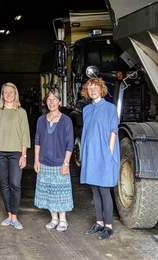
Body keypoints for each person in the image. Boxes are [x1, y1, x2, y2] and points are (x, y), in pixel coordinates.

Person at [80, 78, 120, 240]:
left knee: (104, 190)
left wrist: (108, 154)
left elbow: (113, 131)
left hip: (104, 155)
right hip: (91, 155)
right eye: (90, 88)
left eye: (96, 87)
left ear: (102, 89)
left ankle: (108, 226)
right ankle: (99, 222)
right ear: (87, 92)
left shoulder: (110, 108)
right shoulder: (87, 110)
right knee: (95, 190)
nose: (93, 90)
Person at [0, 82, 30, 230]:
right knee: (4, 184)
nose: (9, 95)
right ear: (2, 95)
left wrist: (24, 155)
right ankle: (9, 214)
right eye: (6, 92)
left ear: (16, 94)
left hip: (16, 153)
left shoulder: (21, 112)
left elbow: (25, 135)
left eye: (12, 92)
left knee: (15, 184)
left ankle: (15, 216)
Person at [33, 89, 74, 232]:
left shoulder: (66, 120)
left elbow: (69, 144)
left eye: (54, 100)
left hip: (59, 162)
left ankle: (63, 220)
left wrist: (66, 163)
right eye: (49, 100)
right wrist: (36, 160)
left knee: (61, 192)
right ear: (46, 102)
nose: (51, 102)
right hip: (44, 161)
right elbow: (37, 141)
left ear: (60, 102)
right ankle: (54, 218)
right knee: (49, 191)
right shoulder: (41, 120)